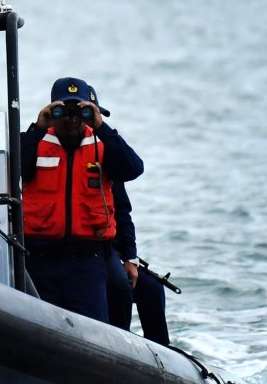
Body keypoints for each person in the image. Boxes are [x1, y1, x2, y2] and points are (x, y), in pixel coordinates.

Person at [20, 77, 143, 321]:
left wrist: (101, 126)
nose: (72, 118)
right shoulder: (35, 141)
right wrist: (38, 127)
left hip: (87, 259)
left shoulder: (102, 145)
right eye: (63, 111)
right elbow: (14, 171)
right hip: (40, 258)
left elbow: (133, 169)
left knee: (95, 326)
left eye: (79, 111)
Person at [105, 181, 170, 344]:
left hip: (105, 250)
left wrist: (130, 257)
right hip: (67, 251)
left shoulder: (106, 165)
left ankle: (162, 353)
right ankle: (117, 344)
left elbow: (122, 213)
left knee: (152, 286)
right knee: (119, 285)